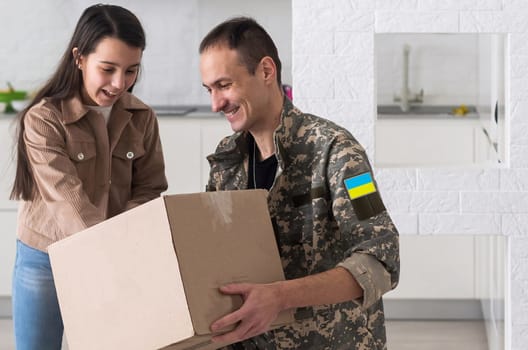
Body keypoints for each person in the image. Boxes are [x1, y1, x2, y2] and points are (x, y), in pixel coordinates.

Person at [200, 17, 399, 349]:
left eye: (224, 85)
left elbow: (381, 259)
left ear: (266, 71)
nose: (215, 104)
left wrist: (279, 297)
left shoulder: (337, 150)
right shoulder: (226, 161)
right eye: (209, 90)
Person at [10, 4, 167, 349]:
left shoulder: (142, 118)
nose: (119, 83)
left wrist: (126, 242)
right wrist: (111, 253)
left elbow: (150, 187)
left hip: (113, 252)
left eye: (131, 71)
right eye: (108, 69)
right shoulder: (43, 119)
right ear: (79, 57)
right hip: (45, 257)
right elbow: (67, 200)